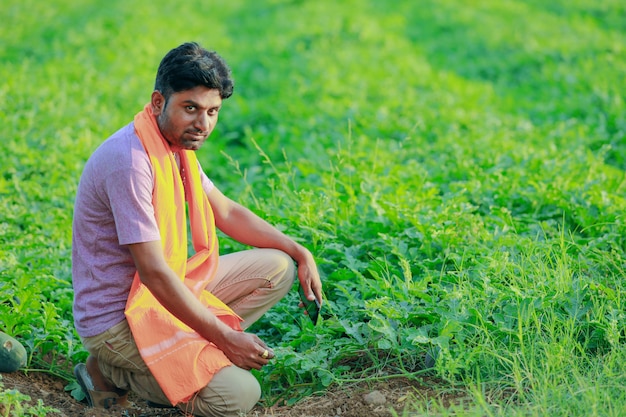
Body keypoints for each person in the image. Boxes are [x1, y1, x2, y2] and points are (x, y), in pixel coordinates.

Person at [71, 41, 322, 417]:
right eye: (191, 108)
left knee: (278, 267)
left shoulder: (174, 145)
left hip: (158, 295)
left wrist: (300, 251)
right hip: (118, 318)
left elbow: (224, 210)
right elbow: (154, 273)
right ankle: (107, 370)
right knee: (236, 395)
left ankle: (192, 350)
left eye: (212, 111)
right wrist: (226, 338)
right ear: (158, 102)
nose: (203, 124)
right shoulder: (130, 161)